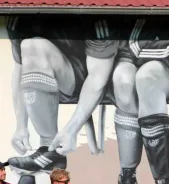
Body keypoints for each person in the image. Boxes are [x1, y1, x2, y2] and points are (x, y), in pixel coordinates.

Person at [6, 15, 118, 173]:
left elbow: (98, 79)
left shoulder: (95, 17)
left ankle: (50, 150)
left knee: (35, 46)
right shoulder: (21, 18)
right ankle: (49, 149)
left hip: (85, 83)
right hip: (45, 77)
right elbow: (19, 70)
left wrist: (71, 130)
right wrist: (21, 126)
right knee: (30, 45)